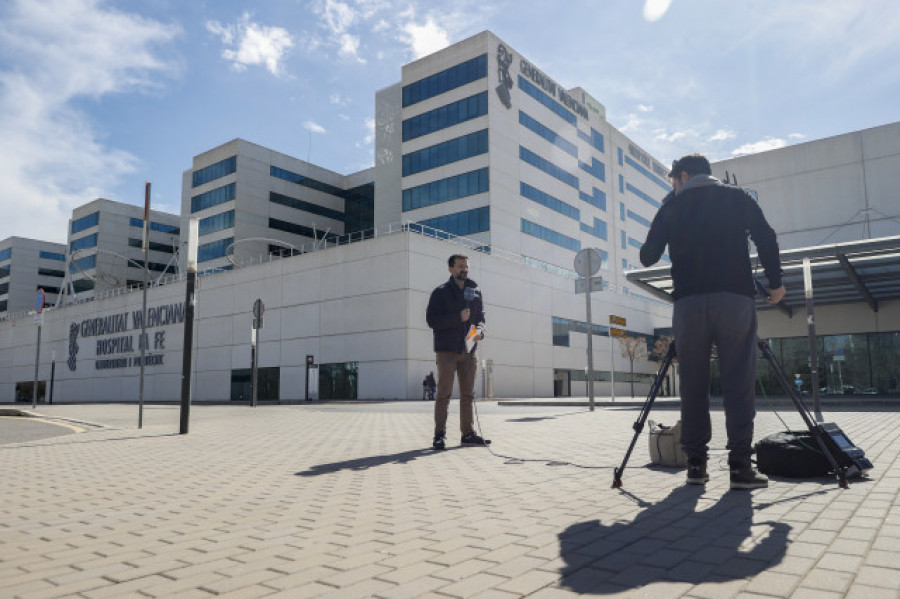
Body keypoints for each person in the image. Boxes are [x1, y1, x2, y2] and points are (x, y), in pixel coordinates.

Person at [640, 154, 786, 490]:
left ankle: (695, 465)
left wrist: (668, 213)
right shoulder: (737, 197)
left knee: (692, 385)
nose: (673, 187)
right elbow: (766, 236)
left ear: (684, 176)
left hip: (689, 304)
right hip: (735, 299)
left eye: (673, 181)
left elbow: (647, 256)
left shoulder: (671, 207)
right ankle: (739, 468)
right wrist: (775, 283)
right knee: (738, 383)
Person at [426, 254, 490, 449]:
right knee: (443, 394)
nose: (464, 269)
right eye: (460, 266)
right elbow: (432, 320)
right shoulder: (440, 292)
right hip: (447, 351)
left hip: (469, 351)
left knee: (468, 394)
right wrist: (458, 317)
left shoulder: (475, 290)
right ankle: (439, 435)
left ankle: (468, 434)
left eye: (466, 266)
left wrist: (480, 331)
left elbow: (481, 318)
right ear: (451, 269)